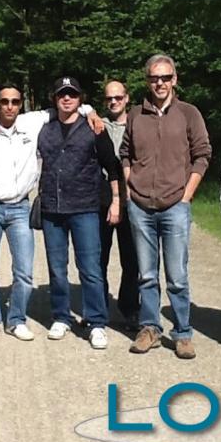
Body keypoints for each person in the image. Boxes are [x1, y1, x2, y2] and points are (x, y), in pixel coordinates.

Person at [0, 83, 103, 341]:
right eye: (4, 101)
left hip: (20, 207)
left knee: (24, 271)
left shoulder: (31, 123)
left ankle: (16, 320)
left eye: (15, 101)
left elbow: (64, 106)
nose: (10, 106)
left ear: (21, 104)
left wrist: (90, 111)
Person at [120, 54, 212, 360]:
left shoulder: (188, 113)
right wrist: (130, 187)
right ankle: (149, 328)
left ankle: (183, 333)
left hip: (175, 205)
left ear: (174, 79)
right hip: (141, 206)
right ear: (147, 81)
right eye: (154, 78)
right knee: (146, 274)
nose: (159, 83)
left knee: (177, 276)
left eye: (165, 77)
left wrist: (187, 194)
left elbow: (202, 155)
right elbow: (125, 153)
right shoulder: (136, 114)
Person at [38, 77, 121, 350]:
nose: (67, 98)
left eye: (72, 94)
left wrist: (116, 200)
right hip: (52, 208)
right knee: (56, 268)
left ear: (80, 98)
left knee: (90, 268)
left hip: (85, 208)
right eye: (62, 94)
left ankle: (96, 322)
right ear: (55, 98)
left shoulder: (94, 128)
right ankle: (61, 316)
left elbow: (112, 166)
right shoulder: (44, 128)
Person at [99, 80, 140, 330]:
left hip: (132, 198)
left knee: (132, 259)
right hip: (101, 198)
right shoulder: (96, 125)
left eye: (118, 97)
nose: (113, 102)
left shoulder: (138, 124)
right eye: (109, 98)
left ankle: (130, 309)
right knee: (98, 258)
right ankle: (98, 309)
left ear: (126, 98)